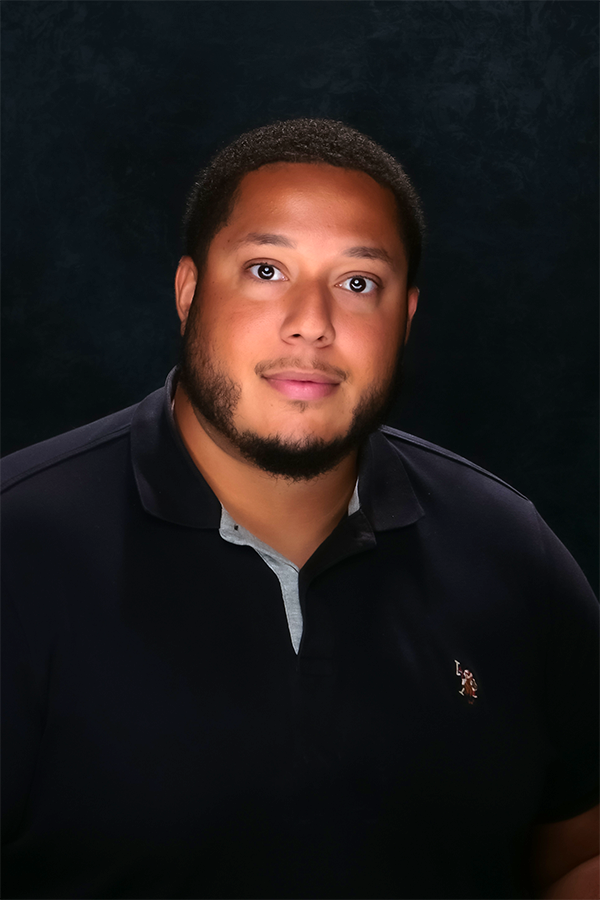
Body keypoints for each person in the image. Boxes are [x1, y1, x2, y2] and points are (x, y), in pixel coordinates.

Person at [2, 118, 598, 900]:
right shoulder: (19, 547)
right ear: (188, 292)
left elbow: (580, 853)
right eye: (266, 270)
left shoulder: (512, 550)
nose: (312, 322)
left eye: (358, 283)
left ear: (406, 317)